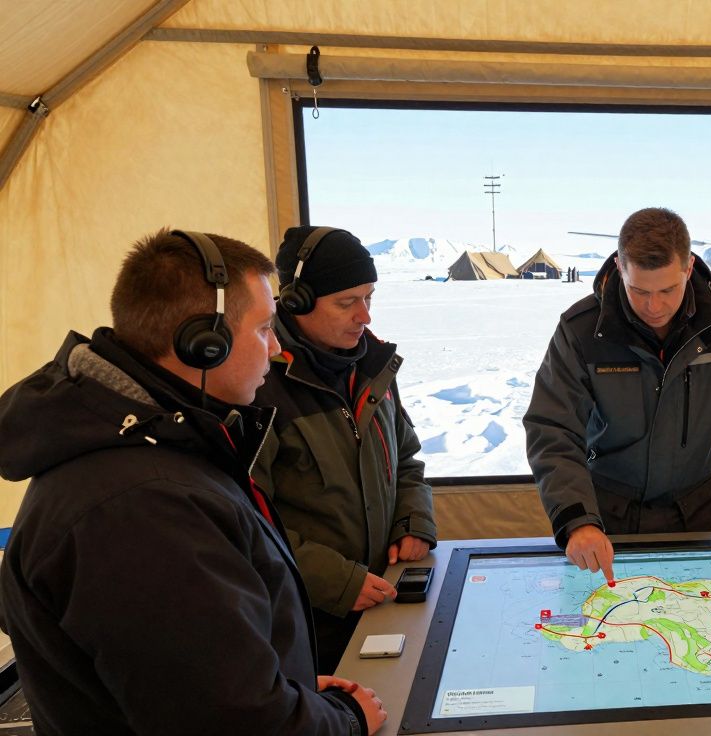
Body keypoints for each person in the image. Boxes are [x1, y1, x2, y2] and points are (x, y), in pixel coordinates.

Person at [0, 229, 385, 734]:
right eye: (264, 328)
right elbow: (233, 720)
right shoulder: (141, 508)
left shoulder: (162, 452)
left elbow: (198, 676)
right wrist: (346, 721)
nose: (274, 349)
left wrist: (291, 689)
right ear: (204, 344)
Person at [524, 207, 711, 581]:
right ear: (619, 267)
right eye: (639, 290)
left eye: (668, 289)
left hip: (698, 517)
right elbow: (552, 429)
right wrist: (577, 520)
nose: (654, 306)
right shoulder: (581, 331)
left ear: (689, 267)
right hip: (605, 524)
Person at [254, 226, 437, 674]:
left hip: (382, 597)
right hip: (307, 623)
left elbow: (407, 460)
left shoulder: (373, 369)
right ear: (296, 301)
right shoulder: (258, 385)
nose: (365, 317)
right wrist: (337, 583)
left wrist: (412, 521)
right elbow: (246, 522)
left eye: (369, 298)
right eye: (346, 302)